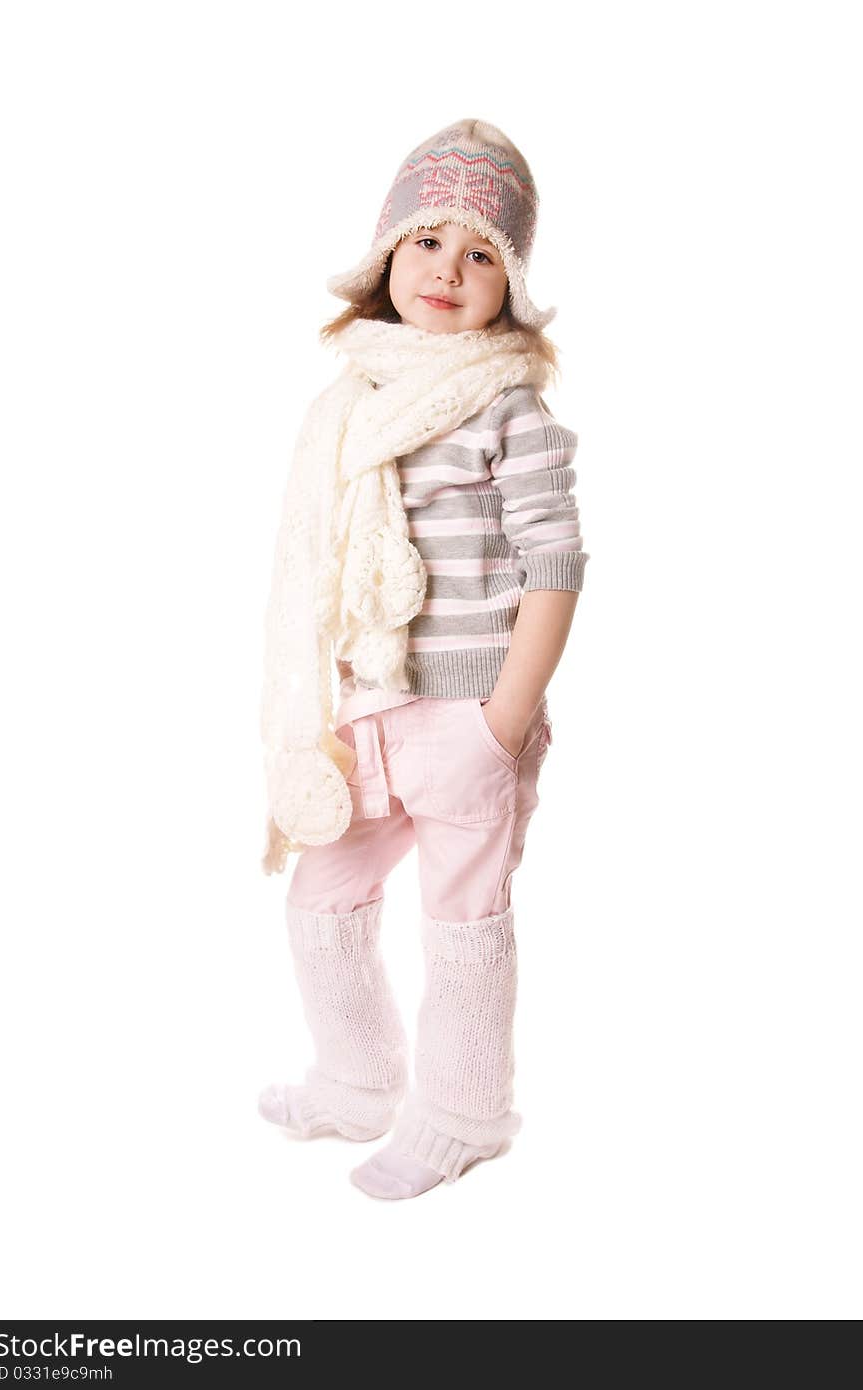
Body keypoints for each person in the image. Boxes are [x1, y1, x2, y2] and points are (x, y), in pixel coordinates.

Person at [257, 118, 590, 1200]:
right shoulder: (348, 407)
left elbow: (554, 564)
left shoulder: (508, 406)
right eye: (425, 243)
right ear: (385, 261)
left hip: (465, 719)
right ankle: (357, 1081)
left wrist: (503, 719)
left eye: (481, 251)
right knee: (323, 897)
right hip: (365, 713)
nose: (448, 269)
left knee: (463, 924)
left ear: (511, 285)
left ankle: (463, 1113)